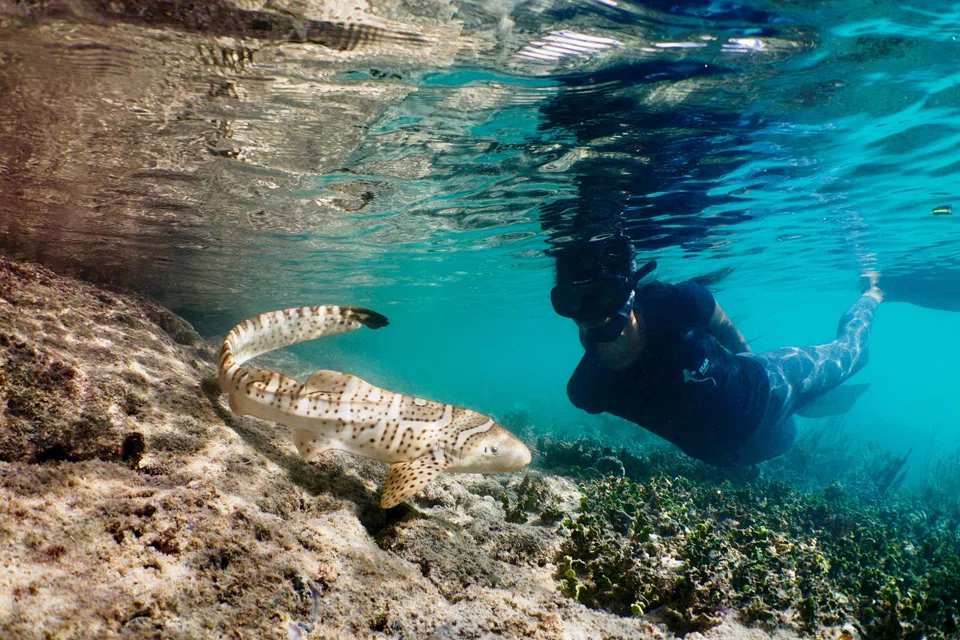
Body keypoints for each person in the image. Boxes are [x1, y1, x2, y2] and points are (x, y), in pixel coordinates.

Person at [551, 252, 883, 466]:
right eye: (571, 300)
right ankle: (806, 404)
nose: (593, 313)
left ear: (629, 290)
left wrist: (753, 377)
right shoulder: (586, 390)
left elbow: (723, 327)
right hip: (732, 457)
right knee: (791, 430)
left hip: (772, 387)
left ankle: (873, 293)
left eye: (605, 295)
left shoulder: (679, 302)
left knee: (856, 353)